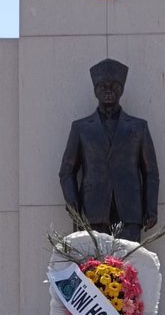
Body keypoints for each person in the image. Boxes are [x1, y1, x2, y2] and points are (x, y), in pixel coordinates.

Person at [59, 58, 159, 241]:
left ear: (122, 89)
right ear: (95, 90)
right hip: (92, 211)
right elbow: (67, 171)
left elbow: (150, 172)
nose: (108, 90)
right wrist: (73, 205)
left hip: (129, 211)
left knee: (129, 259)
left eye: (113, 85)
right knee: (92, 259)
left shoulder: (139, 127)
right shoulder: (81, 128)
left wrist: (151, 208)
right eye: (102, 86)